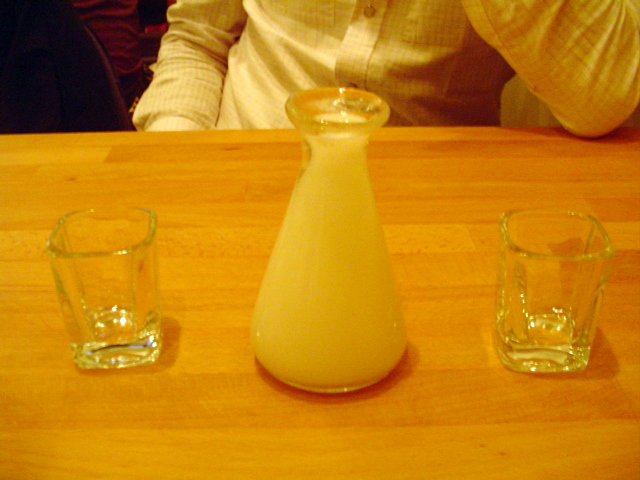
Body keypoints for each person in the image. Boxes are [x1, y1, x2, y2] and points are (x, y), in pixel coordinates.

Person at [133, 0, 640, 137]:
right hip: (245, 170)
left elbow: (603, 99)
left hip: (431, 208)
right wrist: (178, 159)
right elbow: (197, 39)